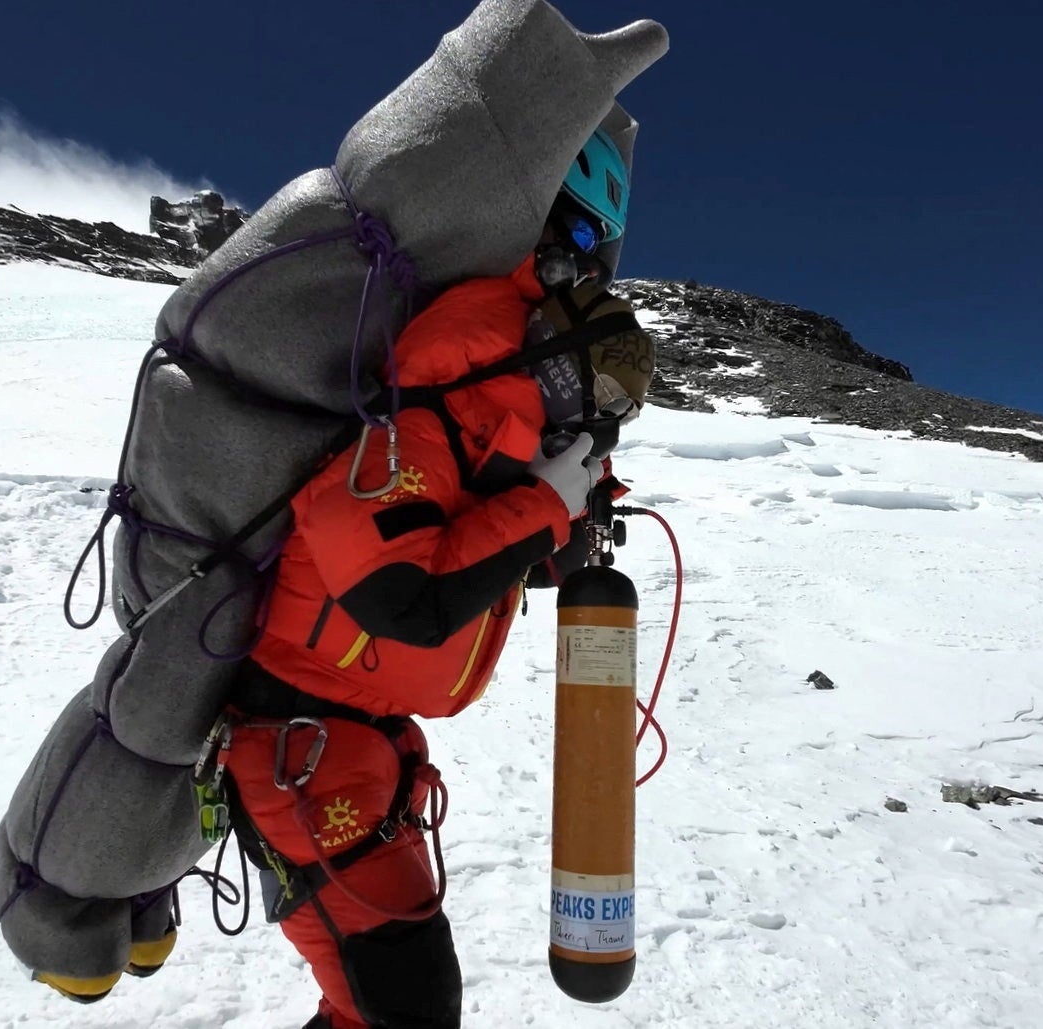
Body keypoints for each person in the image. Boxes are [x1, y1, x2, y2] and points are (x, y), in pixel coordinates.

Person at [213, 129, 657, 1029]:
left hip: (357, 752)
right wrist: (540, 502)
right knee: (399, 1009)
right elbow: (400, 598)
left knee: (380, 1005)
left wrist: (558, 512)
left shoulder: (461, 410)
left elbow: (466, 551)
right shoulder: (413, 406)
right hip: (306, 752)